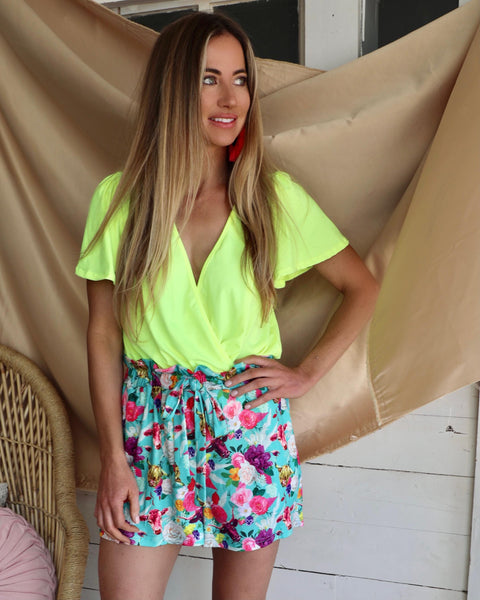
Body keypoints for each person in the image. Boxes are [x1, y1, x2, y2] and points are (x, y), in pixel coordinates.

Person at [76, 11, 379, 600]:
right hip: (151, 429)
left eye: (241, 80)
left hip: (246, 430)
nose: (230, 98)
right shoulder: (121, 201)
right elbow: (103, 334)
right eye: (209, 79)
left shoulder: (270, 199)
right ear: (173, 89)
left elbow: (361, 287)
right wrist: (113, 456)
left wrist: (306, 373)